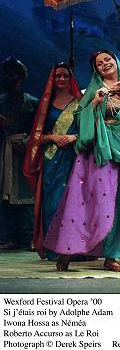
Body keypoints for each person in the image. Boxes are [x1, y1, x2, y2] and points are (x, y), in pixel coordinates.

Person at [44, 50, 120, 272]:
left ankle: (112, 256)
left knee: (119, 206)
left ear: (116, 61)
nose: (105, 65)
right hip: (96, 156)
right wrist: (95, 103)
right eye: (99, 64)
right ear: (96, 70)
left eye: (108, 60)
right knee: (88, 205)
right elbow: (80, 122)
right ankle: (67, 251)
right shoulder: (92, 91)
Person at [23, 63, 82, 260]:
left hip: (73, 158)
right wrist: (53, 138)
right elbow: (36, 136)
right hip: (51, 158)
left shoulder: (79, 103)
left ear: (70, 78)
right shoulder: (45, 104)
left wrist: (73, 138)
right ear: (53, 79)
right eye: (58, 76)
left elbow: (88, 132)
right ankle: (54, 248)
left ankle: (74, 250)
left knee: (73, 203)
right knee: (52, 203)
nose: (62, 79)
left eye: (65, 76)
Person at [0, 57, 39, 251]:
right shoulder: (1, 101)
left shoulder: (32, 102)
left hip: (25, 152)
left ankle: (29, 236)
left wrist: (25, 143)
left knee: (26, 194)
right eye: (6, 72)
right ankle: (11, 236)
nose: (9, 77)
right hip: (5, 151)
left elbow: (39, 129)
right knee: (6, 194)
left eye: (12, 73)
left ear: (21, 76)